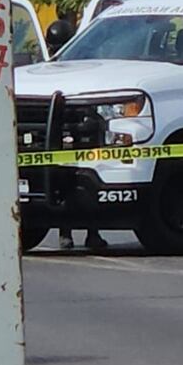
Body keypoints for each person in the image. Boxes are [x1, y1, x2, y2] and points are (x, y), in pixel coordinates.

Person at [45, 19, 109, 251]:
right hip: (64, 135)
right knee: (66, 182)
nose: (54, 51)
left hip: (76, 133)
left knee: (81, 182)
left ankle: (88, 233)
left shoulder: (80, 65)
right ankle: (73, 233)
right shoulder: (51, 67)